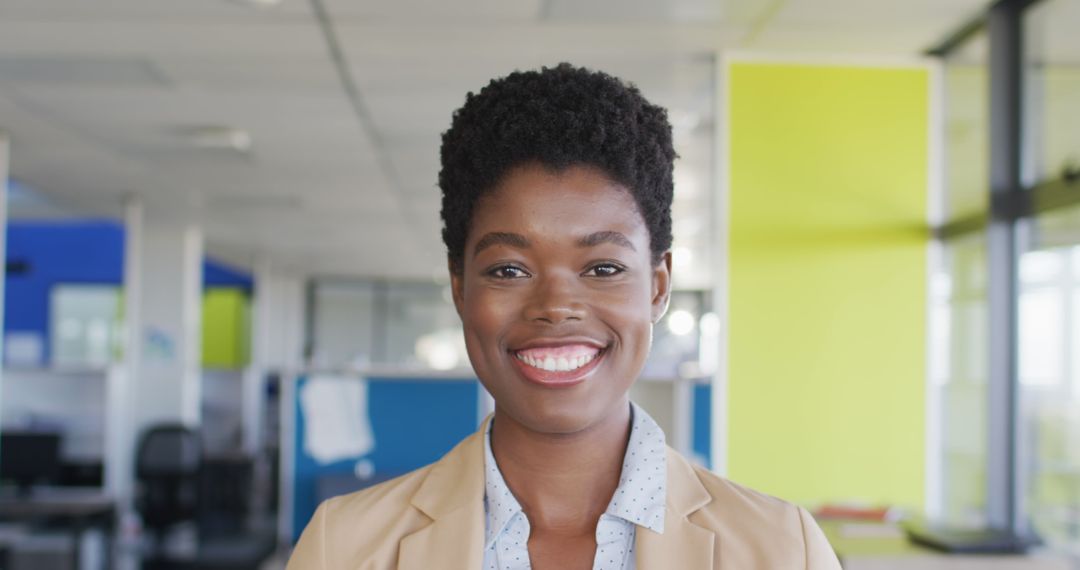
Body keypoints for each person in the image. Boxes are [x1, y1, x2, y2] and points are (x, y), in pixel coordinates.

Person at [287, 63, 842, 569]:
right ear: (460, 288)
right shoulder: (347, 546)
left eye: (602, 268)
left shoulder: (781, 548)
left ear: (657, 286)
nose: (555, 306)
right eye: (508, 269)